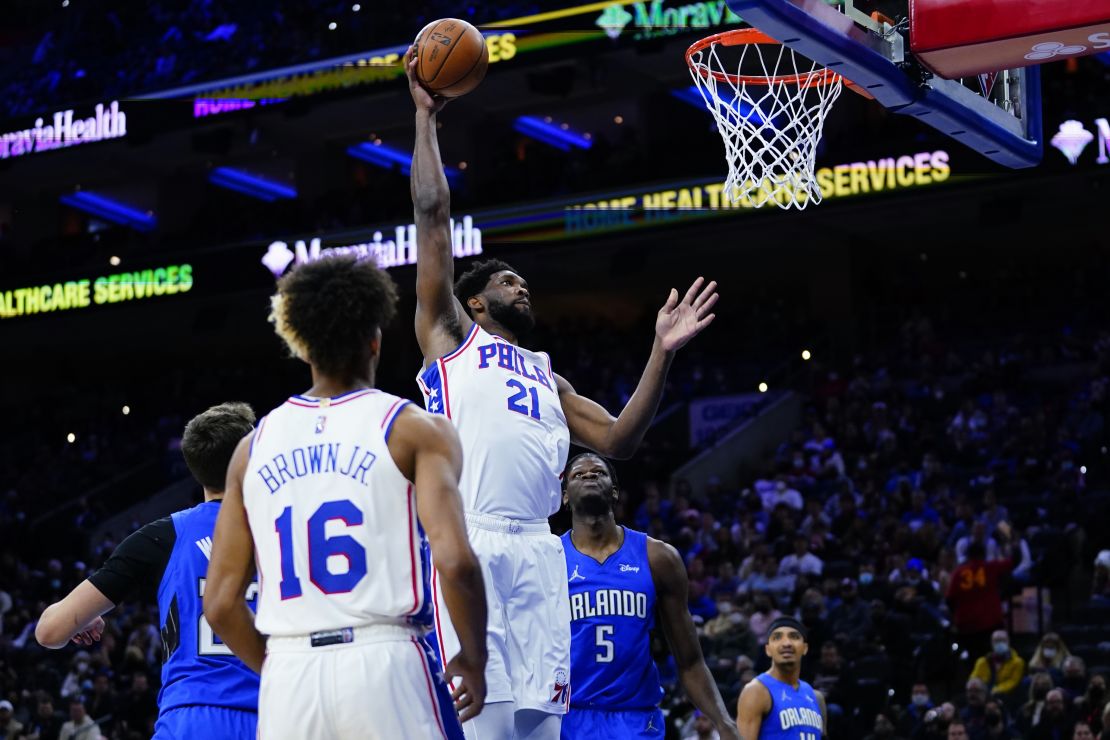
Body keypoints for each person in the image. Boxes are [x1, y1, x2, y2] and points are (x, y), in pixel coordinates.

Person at [405, 46, 718, 740]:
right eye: (506, 281)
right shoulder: (452, 339)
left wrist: (660, 353)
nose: (523, 286)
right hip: (472, 538)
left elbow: (621, 441)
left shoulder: (550, 374)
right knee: (480, 726)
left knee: (542, 731)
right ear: (475, 303)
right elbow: (431, 214)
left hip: (541, 553)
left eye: (523, 279)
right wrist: (425, 119)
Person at [203, 255, 487, 739]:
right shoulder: (414, 429)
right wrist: (474, 658)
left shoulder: (252, 448)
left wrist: (277, 667)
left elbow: (221, 603)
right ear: (375, 340)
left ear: (303, 347)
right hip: (386, 659)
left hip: (291, 672)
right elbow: (456, 562)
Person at [35, 402, 261, 739]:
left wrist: (81, 616)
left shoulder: (162, 535)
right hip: (273, 714)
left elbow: (49, 632)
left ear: (192, 467)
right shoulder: (283, 529)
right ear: (250, 457)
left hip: (189, 720)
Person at [559, 453, 738, 740]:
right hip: (569, 717)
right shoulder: (549, 559)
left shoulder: (658, 558)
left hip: (637, 718)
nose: (589, 476)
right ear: (565, 496)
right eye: (578, 474)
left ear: (615, 491)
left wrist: (724, 722)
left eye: (598, 473)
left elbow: (690, 660)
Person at [736, 618, 827, 739]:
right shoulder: (756, 691)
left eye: (794, 637)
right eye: (777, 638)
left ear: (805, 648)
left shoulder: (816, 697)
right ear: (768, 650)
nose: (786, 643)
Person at [970, 630, 1026, 698]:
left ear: (1008, 642)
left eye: (1002, 640)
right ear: (992, 643)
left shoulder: (1018, 662)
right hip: (983, 694)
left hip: (1007, 695)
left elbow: (1013, 682)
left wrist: (996, 690)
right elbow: (973, 679)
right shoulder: (982, 662)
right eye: (996, 641)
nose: (999, 643)